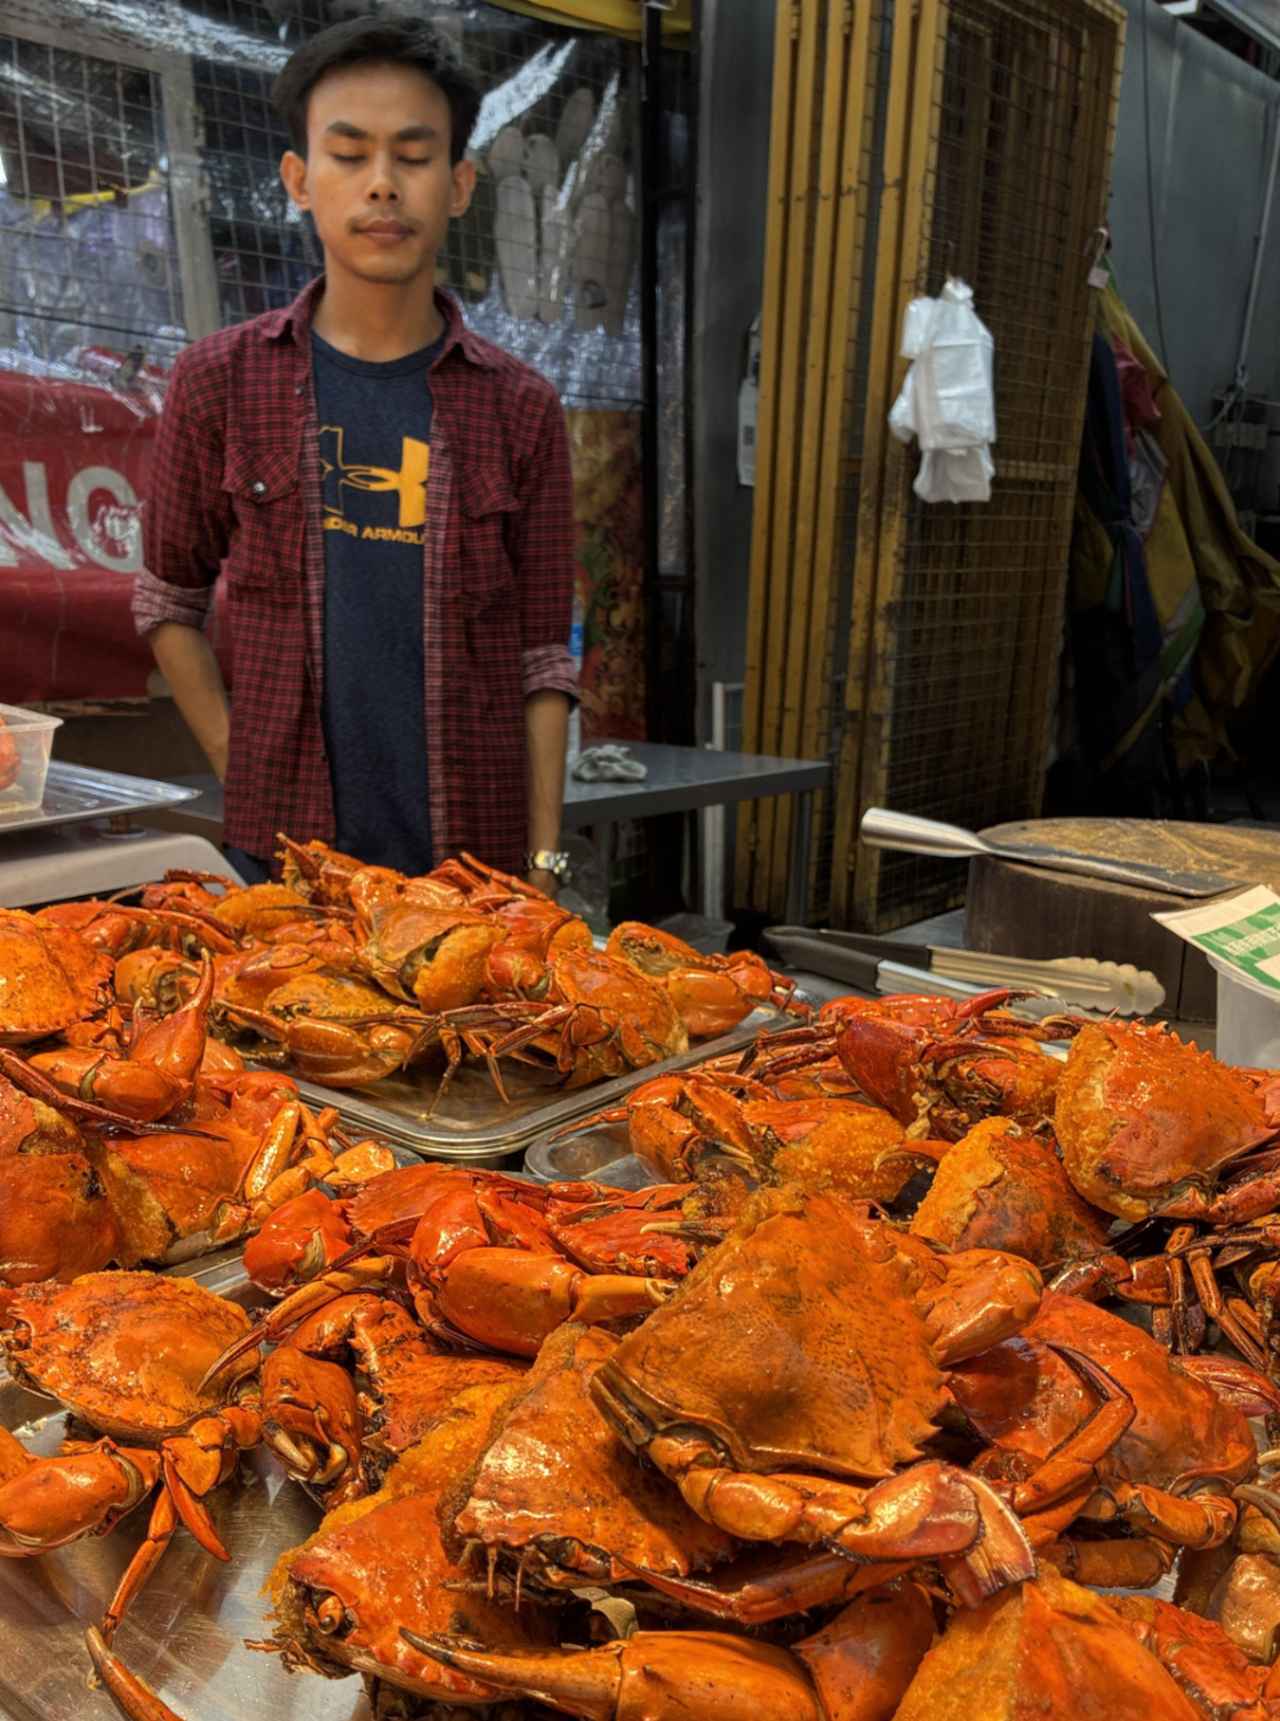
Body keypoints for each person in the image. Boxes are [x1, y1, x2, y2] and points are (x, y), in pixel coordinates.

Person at [133, 17, 576, 895]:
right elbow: (167, 600)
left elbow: (542, 657)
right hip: (287, 877)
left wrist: (544, 864)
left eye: (413, 156)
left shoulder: (520, 406)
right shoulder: (220, 381)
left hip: (473, 882)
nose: (381, 184)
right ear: (300, 179)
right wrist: (243, 768)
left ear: (459, 185)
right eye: (348, 154)